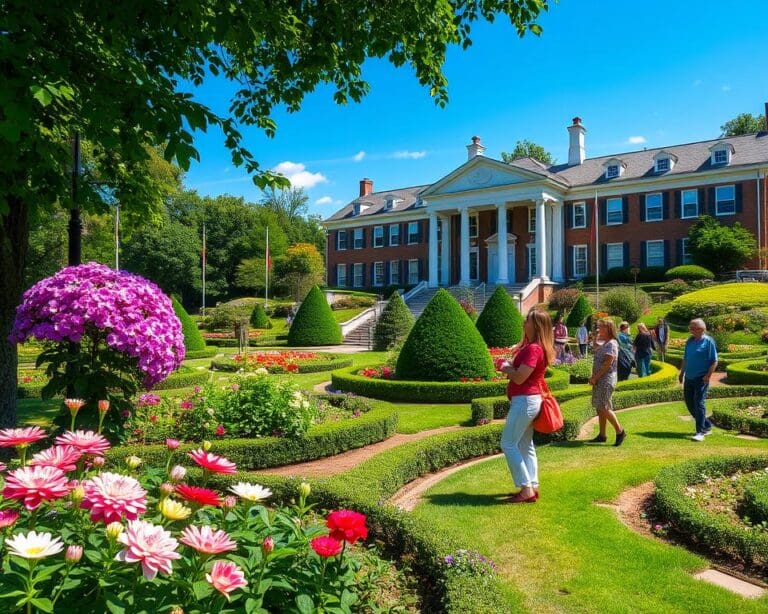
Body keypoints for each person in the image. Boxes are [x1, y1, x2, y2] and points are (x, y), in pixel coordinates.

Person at [499, 309, 555, 503]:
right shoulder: (535, 346)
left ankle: (526, 489)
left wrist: (504, 367)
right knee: (525, 444)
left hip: (525, 400)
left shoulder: (534, 349)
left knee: (507, 443)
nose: (524, 323)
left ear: (536, 326)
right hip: (528, 399)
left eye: (527, 321)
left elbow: (521, 377)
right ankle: (532, 484)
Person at [678, 318, 718, 442]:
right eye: (690, 327)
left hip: (701, 378)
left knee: (699, 403)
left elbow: (714, 361)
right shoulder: (690, 341)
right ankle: (706, 425)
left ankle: (700, 431)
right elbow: (686, 358)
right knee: (690, 403)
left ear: (701, 329)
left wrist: (708, 376)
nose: (690, 330)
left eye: (692, 328)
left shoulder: (708, 342)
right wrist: (682, 372)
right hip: (689, 377)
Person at [588, 318, 627, 446]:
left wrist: (595, 378)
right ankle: (602, 434)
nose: (599, 329)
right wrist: (594, 339)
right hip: (601, 379)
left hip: (605, 379)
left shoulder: (611, 343)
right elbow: (596, 348)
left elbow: (607, 364)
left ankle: (620, 431)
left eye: (601, 327)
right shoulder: (606, 343)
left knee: (604, 407)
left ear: (608, 329)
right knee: (600, 407)